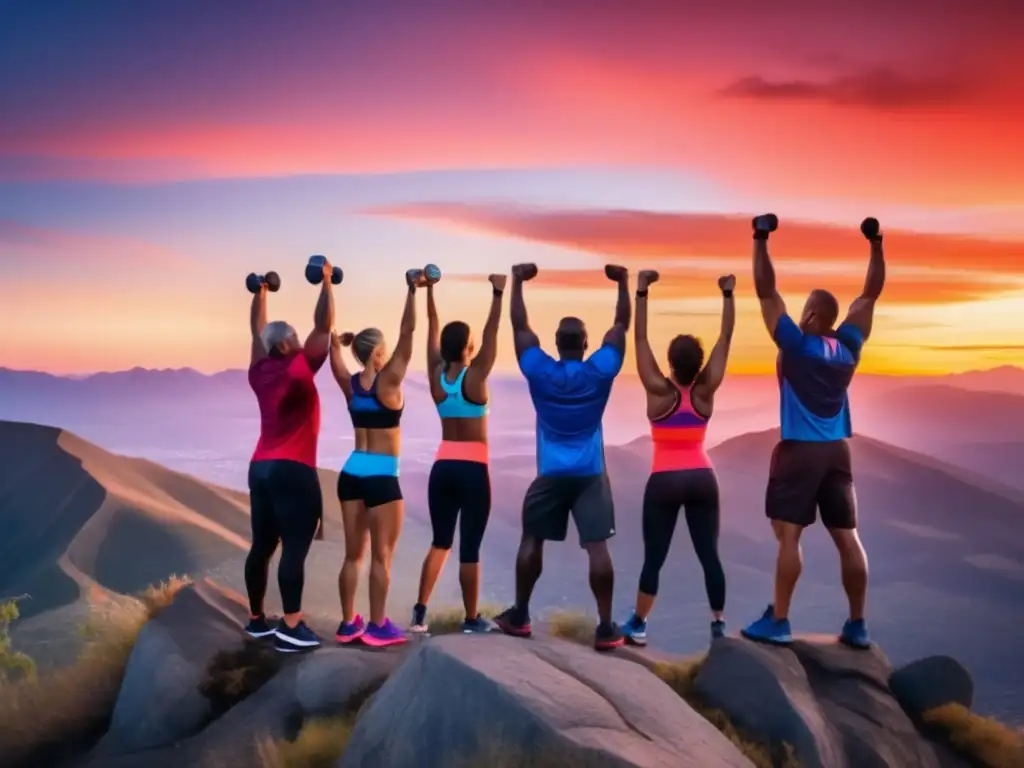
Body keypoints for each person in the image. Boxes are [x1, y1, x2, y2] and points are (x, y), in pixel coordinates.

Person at [741, 214, 885, 649]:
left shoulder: (797, 345)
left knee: (789, 535)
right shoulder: (848, 348)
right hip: (838, 452)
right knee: (848, 537)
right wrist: (876, 244)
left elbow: (766, 291)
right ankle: (857, 624)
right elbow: (870, 295)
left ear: (810, 314)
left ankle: (779, 620)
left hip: (800, 451)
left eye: (804, 308)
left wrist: (760, 239)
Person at [493, 263, 630, 651]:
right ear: (586, 344)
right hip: (590, 473)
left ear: (556, 342)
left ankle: (520, 615)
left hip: (550, 473)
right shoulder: (599, 371)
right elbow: (621, 326)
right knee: (597, 546)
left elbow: (520, 328)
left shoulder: (539, 371)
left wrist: (517, 281)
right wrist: (622, 283)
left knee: (532, 538)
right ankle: (606, 627)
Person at [621, 269, 736, 647]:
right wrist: (727, 295)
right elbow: (725, 338)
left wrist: (641, 291)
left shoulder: (657, 391)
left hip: (664, 480)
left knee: (654, 557)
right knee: (710, 555)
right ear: (699, 364)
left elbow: (638, 338)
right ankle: (718, 623)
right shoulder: (705, 392)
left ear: (669, 362)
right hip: (703, 477)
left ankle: (638, 623)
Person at [329, 268, 425, 647]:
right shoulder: (389, 382)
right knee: (382, 556)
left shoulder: (349, 384)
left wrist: (341, 342)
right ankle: (377, 626)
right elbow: (409, 333)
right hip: (383, 476)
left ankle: (346, 623)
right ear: (380, 353)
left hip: (352, 470)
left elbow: (333, 349)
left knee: (353, 555)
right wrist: (412, 291)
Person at [244, 258, 335, 653]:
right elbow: (325, 326)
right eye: (296, 338)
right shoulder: (299, 366)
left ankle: (256, 620)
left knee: (262, 546)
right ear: (286, 345)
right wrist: (327, 282)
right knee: (294, 547)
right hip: (293, 469)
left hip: (260, 467)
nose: (302, 342)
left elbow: (256, 329)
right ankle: (291, 626)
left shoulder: (258, 369)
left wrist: (261, 291)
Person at [409, 273, 507, 634]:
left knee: (440, 541)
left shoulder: (437, 377)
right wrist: (498, 294)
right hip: (472, 471)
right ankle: (470, 620)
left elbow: (431, 329)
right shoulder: (475, 377)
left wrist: (430, 292)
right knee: (470, 548)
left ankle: (420, 613)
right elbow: (493, 334)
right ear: (469, 347)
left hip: (442, 467)